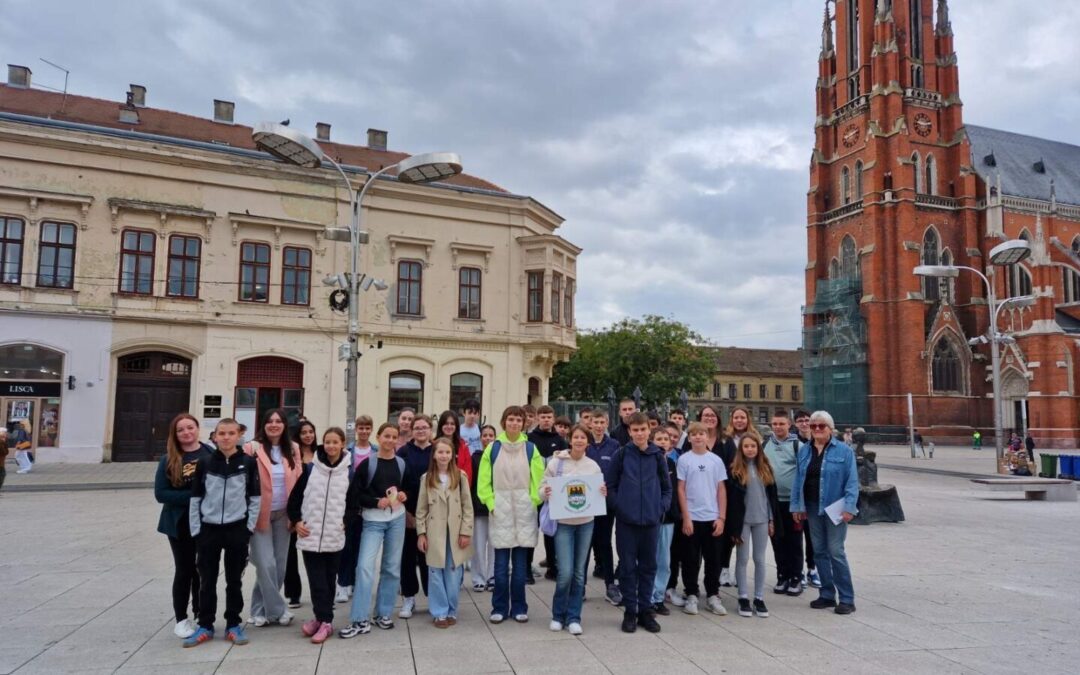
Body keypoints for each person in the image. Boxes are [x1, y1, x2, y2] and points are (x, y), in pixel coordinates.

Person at [184, 418, 260, 648]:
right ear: (215, 436)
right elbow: (196, 498)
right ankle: (205, 624)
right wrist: (197, 530)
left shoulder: (248, 462)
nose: (226, 438)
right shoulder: (205, 463)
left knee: (234, 580)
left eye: (231, 433)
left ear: (239, 436)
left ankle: (233, 624)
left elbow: (255, 498)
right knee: (206, 580)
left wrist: (248, 528)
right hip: (209, 530)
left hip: (237, 529)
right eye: (222, 433)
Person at [339, 423, 409, 638]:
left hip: (397, 519)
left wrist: (404, 495)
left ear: (397, 440)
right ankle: (360, 619)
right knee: (365, 568)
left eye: (394, 436)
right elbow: (355, 496)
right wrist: (374, 502)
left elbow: (407, 488)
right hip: (372, 521)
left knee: (391, 567)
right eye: (386, 436)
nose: (390, 440)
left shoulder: (401, 463)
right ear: (378, 438)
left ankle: (383, 613)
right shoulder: (367, 464)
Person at [476, 405, 544, 624]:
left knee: (520, 568)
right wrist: (492, 504)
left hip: (524, 512)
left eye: (518, 420)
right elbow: (483, 483)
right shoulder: (493, 449)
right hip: (501, 512)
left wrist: (534, 501)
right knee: (500, 567)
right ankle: (499, 607)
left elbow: (539, 481)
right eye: (511, 419)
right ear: (504, 422)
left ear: (524, 423)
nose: (514, 423)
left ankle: (519, 607)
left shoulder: (531, 449)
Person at [791, 410, 860, 615]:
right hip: (812, 507)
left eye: (822, 426)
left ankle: (847, 598)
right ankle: (827, 594)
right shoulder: (804, 451)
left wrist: (849, 507)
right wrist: (797, 506)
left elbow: (852, 482)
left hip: (835, 508)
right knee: (819, 551)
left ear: (830, 428)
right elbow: (798, 480)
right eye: (813, 426)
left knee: (836, 551)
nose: (817, 429)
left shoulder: (844, 451)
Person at [287, 427, 351, 644]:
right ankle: (321, 618)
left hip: (334, 536)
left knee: (328, 581)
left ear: (343, 443)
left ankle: (325, 621)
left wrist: (346, 522)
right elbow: (294, 499)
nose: (331, 446)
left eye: (335, 442)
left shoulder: (348, 472)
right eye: (327, 442)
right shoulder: (310, 470)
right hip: (311, 536)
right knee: (316, 582)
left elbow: (353, 504)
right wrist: (297, 521)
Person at [610, 412, 671, 633]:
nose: (639, 433)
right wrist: (620, 506)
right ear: (630, 432)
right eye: (635, 430)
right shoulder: (622, 454)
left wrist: (660, 507)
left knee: (648, 567)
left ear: (649, 431)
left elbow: (666, 488)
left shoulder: (657, 456)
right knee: (627, 568)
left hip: (651, 523)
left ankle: (645, 610)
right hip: (627, 522)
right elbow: (611, 486)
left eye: (643, 429)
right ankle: (630, 610)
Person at [541, 424, 605, 635]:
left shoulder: (593, 466)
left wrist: (602, 491)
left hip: (586, 523)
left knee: (579, 574)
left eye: (583, 438)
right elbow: (541, 489)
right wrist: (546, 491)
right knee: (565, 573)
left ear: (587, 442)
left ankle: (574, 617)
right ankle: (558, 615)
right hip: (564, 524)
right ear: (570, 440)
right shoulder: (556, 463)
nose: (579, 441)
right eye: (575, 437)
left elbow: (598, 491)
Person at [154, 413, 213, 639]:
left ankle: (201, 613)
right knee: (185, 569)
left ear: (197, 429)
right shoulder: (168, 459)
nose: (187, 432)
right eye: (181, 429)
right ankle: (181, 618)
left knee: (204, 569)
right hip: (179, 523)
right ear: (175, 434)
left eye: (190, 427)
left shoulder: (210, 454)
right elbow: (161, 494)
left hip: (208, 522)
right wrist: (194, 497)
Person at [244, 409, 303, 628]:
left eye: (279, 421)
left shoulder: (293, 449)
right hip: (260, 513)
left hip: (284, 513)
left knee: (279, 566)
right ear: (263, 425)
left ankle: (259, 611)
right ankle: (278, 610)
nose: (274, 425)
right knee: (265, 564)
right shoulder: (252, 448)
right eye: (270, 421)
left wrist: (297, 515)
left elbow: (298, 481)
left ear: (285, 425)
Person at [416, 436, 474, 628]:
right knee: (435, 572)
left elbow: (467, 507)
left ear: (453, 454)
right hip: (435, 532)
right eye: (440, 452)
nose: (443, 455)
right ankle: (439, 611)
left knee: (453, 571)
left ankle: (452, 609)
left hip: (455, 532)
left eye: (447, 452)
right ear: (434, 455)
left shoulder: (460, 476)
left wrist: (466, 532)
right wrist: (421, 533)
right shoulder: (427, 479)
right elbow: (421, 509)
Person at [676, 421, 728, 617]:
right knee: (690, 559)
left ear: (708, 437)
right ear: (689, 438)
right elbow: (680, 489)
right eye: (694, 434)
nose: (698, 437)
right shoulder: (684, 460)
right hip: (692, 517)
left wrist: (721, 517)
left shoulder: (715, 460)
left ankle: (713, 595)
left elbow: (721, 489)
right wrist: (686, 517)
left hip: (712, 516)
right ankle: (691, 593)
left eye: (701, 434)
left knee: (713, 559)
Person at [726, 435, 781, 618]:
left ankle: (758, 597)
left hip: (762, 520)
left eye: (753, 446)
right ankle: (743, 596)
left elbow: (770, 498)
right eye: (746, 446)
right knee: (742, 558)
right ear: (741, 449)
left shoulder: (765, 468)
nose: (750, 449)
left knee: (759, 559)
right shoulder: (735, 470)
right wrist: (733, 527)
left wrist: (771, 520)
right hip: (743, 521)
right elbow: (732, 502)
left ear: (758, 448)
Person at [397, 414, 435, 619]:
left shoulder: (437, 450)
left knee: (429, 557)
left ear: (430, 430)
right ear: (411, 430)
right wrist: (407, 513)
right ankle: (409, 597)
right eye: (417, 428)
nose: (421, 431)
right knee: (407, 557)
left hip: (433, 513)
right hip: (409, 513)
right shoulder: (403, 452)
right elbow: (398, 483)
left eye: (424, 427)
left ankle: (433, 597)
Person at [764, 411, 804, 597]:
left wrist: (801, 503)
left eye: (781, 423)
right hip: (773, 501)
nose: (778, 427)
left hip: (793, 503)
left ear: (789, 425)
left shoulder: (799, 446)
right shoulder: (765, 445)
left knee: (794, 541)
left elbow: (804, 474)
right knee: (777, 540)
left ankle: (796, 577)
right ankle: (782, 575)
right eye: (775, 424)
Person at [586, 408, 623, 606]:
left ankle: (610, 585)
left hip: (605, 503)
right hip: (583, 504)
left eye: (602, 423)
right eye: (595, 422)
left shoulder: (615, 445)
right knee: (584, 544)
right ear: (590, 423)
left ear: (607, 423)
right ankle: (579, 585)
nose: (598, 426)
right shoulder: (584, 444)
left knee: (605, 544)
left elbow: (617, 473)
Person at [336, 415, 375, 603]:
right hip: (349, 505)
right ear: (356, 429)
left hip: (368, 504)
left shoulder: (375, 451)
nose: (364, 431)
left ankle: (357, 582)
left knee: (362, 547)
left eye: (368, 428)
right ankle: (343, 584)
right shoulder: (347, 452)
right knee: (346, 546)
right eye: (361, 428)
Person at [529, 405, 568, 581]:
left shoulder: (559, 440)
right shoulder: (529, 439)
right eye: (543, 416)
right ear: (537, 418)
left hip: (554, 493)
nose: (546, 419)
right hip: (533, 492)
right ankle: (526, 568)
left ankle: (553, 567)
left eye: (549, 416)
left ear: (553, 419)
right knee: (530, 531)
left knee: (552, 532)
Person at [285, 420, 319, 609]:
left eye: (311, 431)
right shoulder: (291, 454)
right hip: (296, 506)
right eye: (304, 432)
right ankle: (293, 593)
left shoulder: (320, 453)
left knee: (314, 554)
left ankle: (321, 593)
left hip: (315, 508)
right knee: (290, 553)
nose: (308, 435)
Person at [650, 426, 679, 617]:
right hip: (648, 518)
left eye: (665, 439)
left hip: (667, 519)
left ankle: (658, 597)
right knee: (647, 559)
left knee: (664, 561)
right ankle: (645, 596)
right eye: (658, 438)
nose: (662, 442)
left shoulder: (671, 464)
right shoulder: (646, 462)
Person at [793, 409, 820, 589]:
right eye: (800, 421)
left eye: (806, 420)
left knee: (813, 537)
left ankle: (812, 568)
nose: (804, 423)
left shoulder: (818, 442)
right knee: (796, 536)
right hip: (797, 497)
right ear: (795, 424)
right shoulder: (793, 443)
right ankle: (799, 571)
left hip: (813, 498)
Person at [470, 424, 498, 591]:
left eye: (491, 435)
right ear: (480, 438)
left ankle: (492, 575)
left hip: (497, 506)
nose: (487, 438)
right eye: (485, 435)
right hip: (479, 507)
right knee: (478, 545)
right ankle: (478, 577)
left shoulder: (500, 457)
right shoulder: (475, 457)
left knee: (495, 544)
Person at [437, 410, 475, 486]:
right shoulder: (434, 444)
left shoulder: (463, 446)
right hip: (437, 487)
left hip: (457, 488)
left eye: (452, 424)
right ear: (441, 425)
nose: (449, 426)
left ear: (456, 426)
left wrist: (464, 489)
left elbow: (468, 472)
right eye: (446, 423)